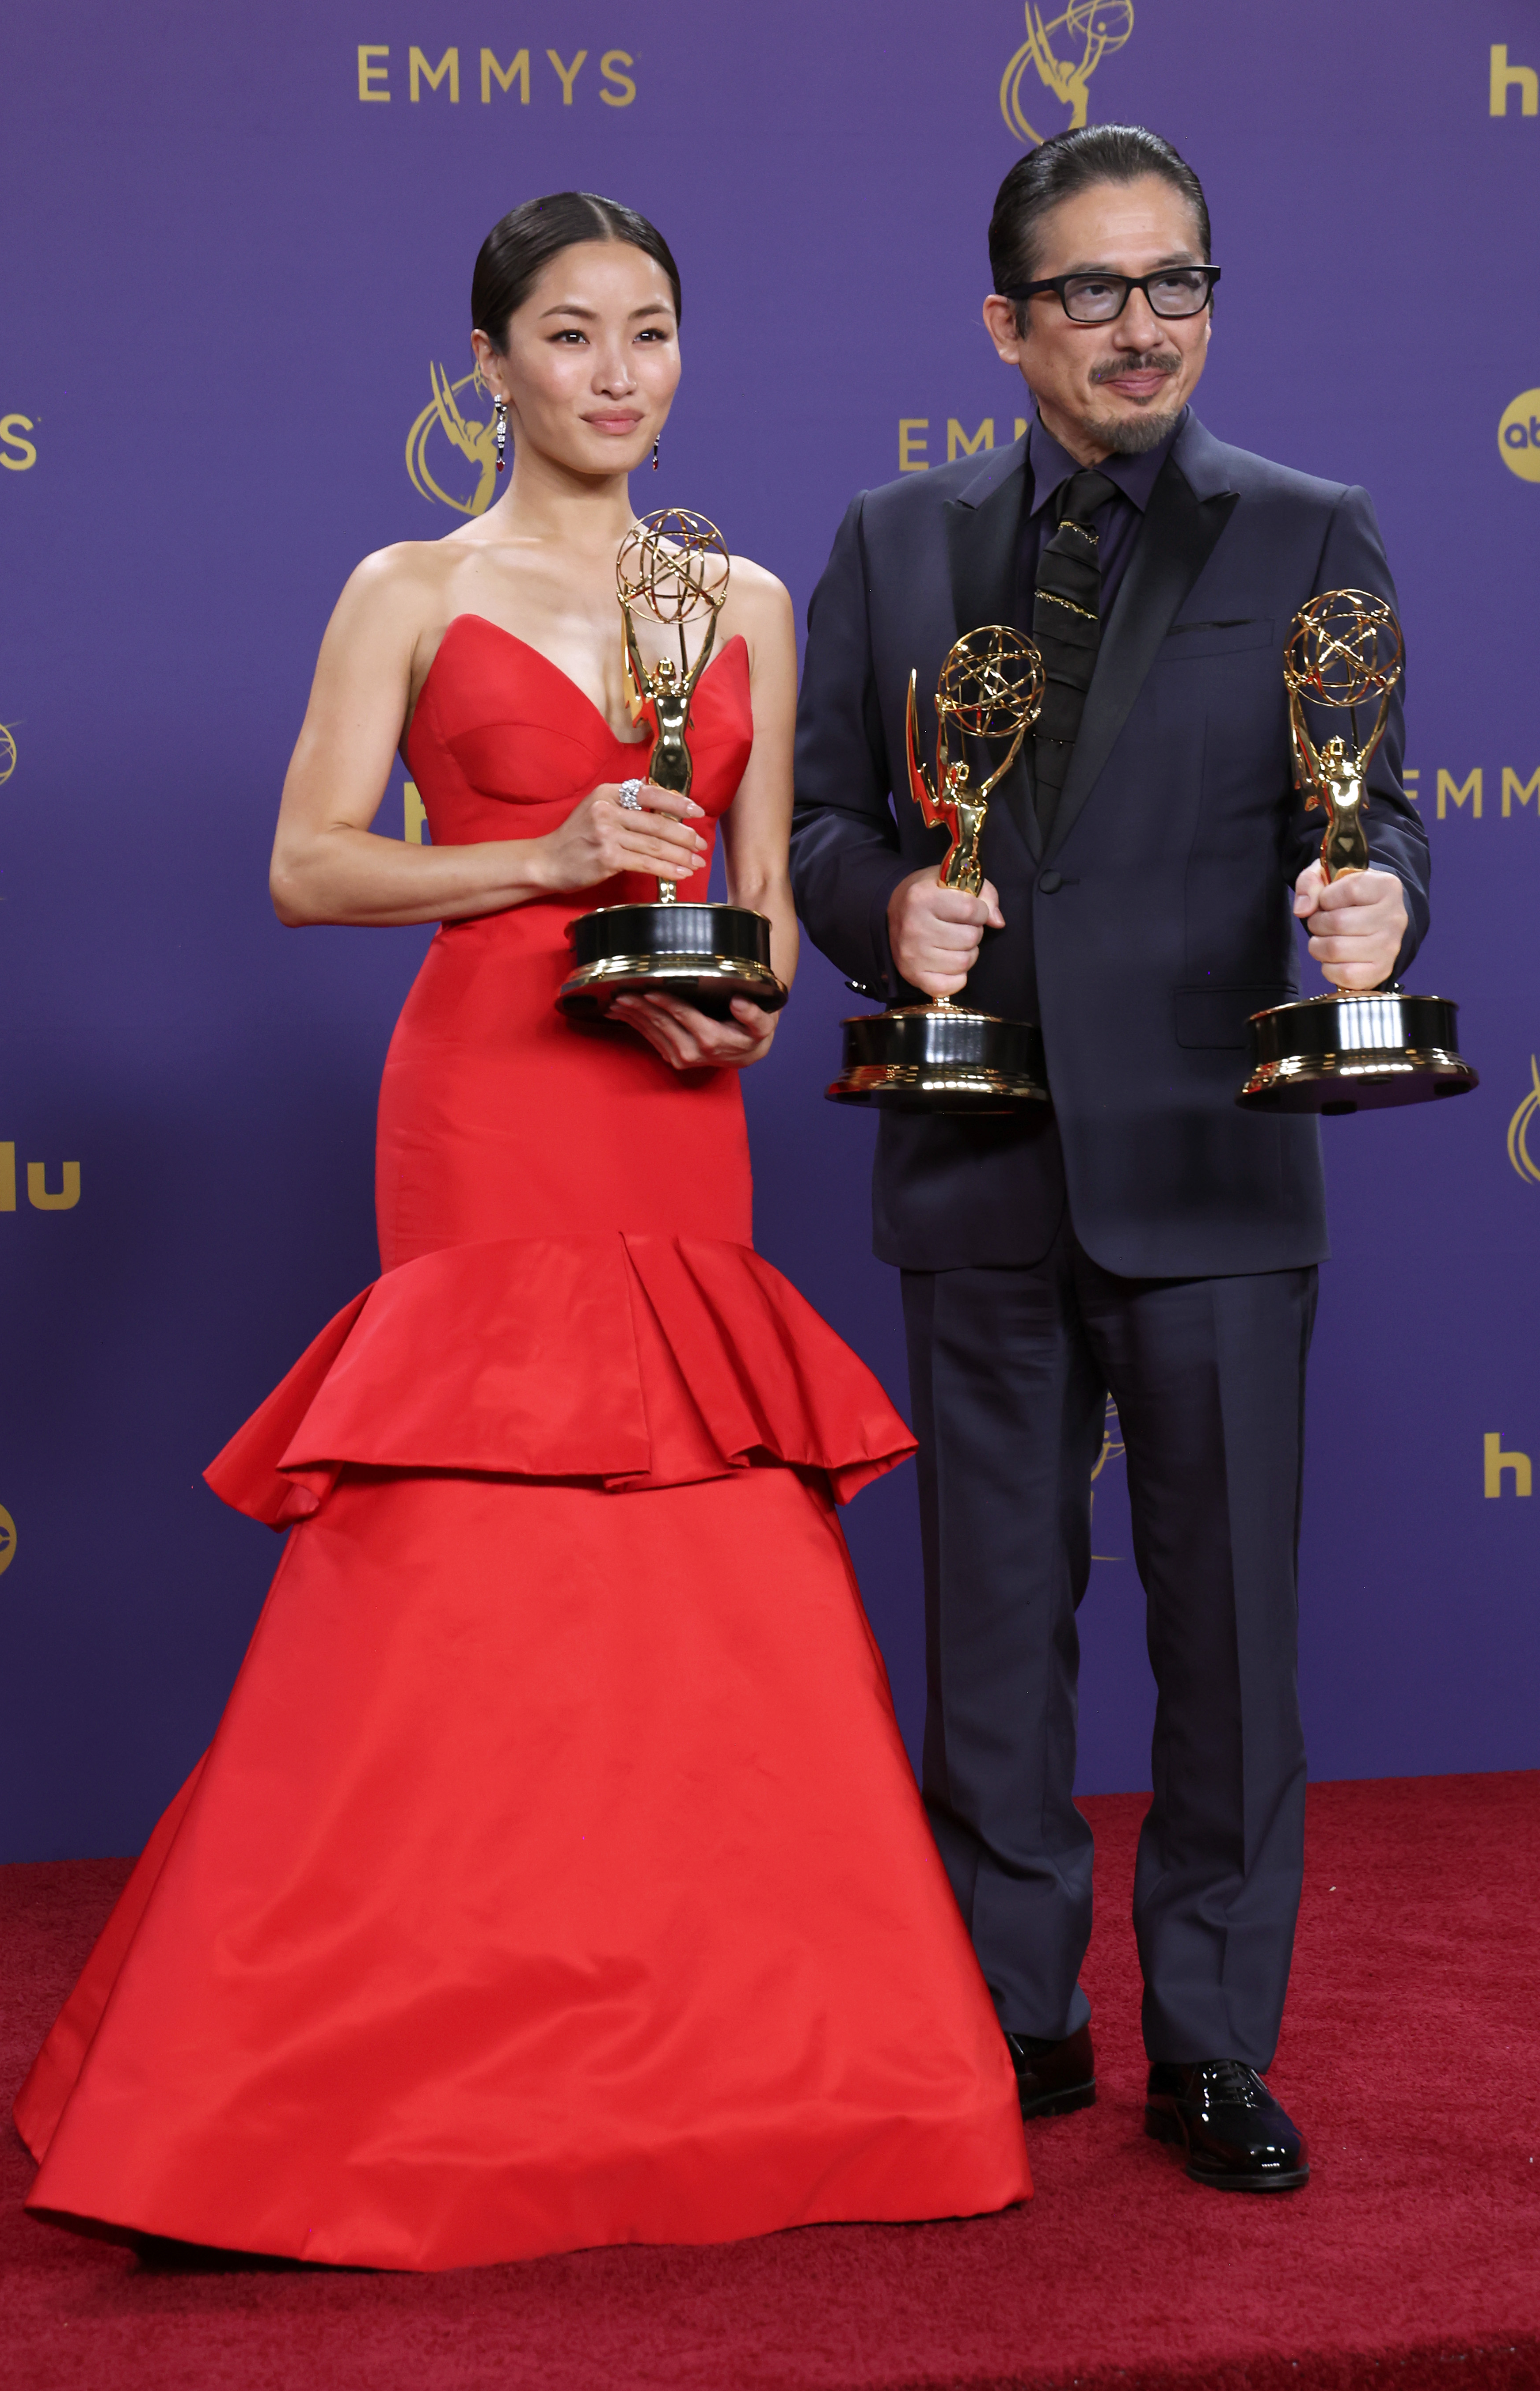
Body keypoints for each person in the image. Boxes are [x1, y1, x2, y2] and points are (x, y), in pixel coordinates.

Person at [15, 191, 1028, 2270]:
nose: (615, 373)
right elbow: (310, 864)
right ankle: (286, 2087)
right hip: (484, 1108)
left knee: (700, 1558)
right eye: (569, 336)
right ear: (491, 363)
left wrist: (727, 1003)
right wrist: (542, 857)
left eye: (648, 331)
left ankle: (772, 2071)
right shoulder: (409, 583)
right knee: (456, 1572)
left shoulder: (741, 595)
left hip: (672, 1124)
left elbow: (753, 900)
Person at [791, 126, 1430, 2193]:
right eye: (1089, 290)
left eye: (1174, 284)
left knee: (1227, 1641)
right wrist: (879, 910)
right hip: (974, 1150)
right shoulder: (891, 541)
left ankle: (1212, 2050)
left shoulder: (1308, 533)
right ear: (1005, 323)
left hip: (1217, 1167)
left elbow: (1377, 808)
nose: (1138, 326)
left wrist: (1379, 910)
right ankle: (1012, 2024)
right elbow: (812, 825)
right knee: (988, 1630)